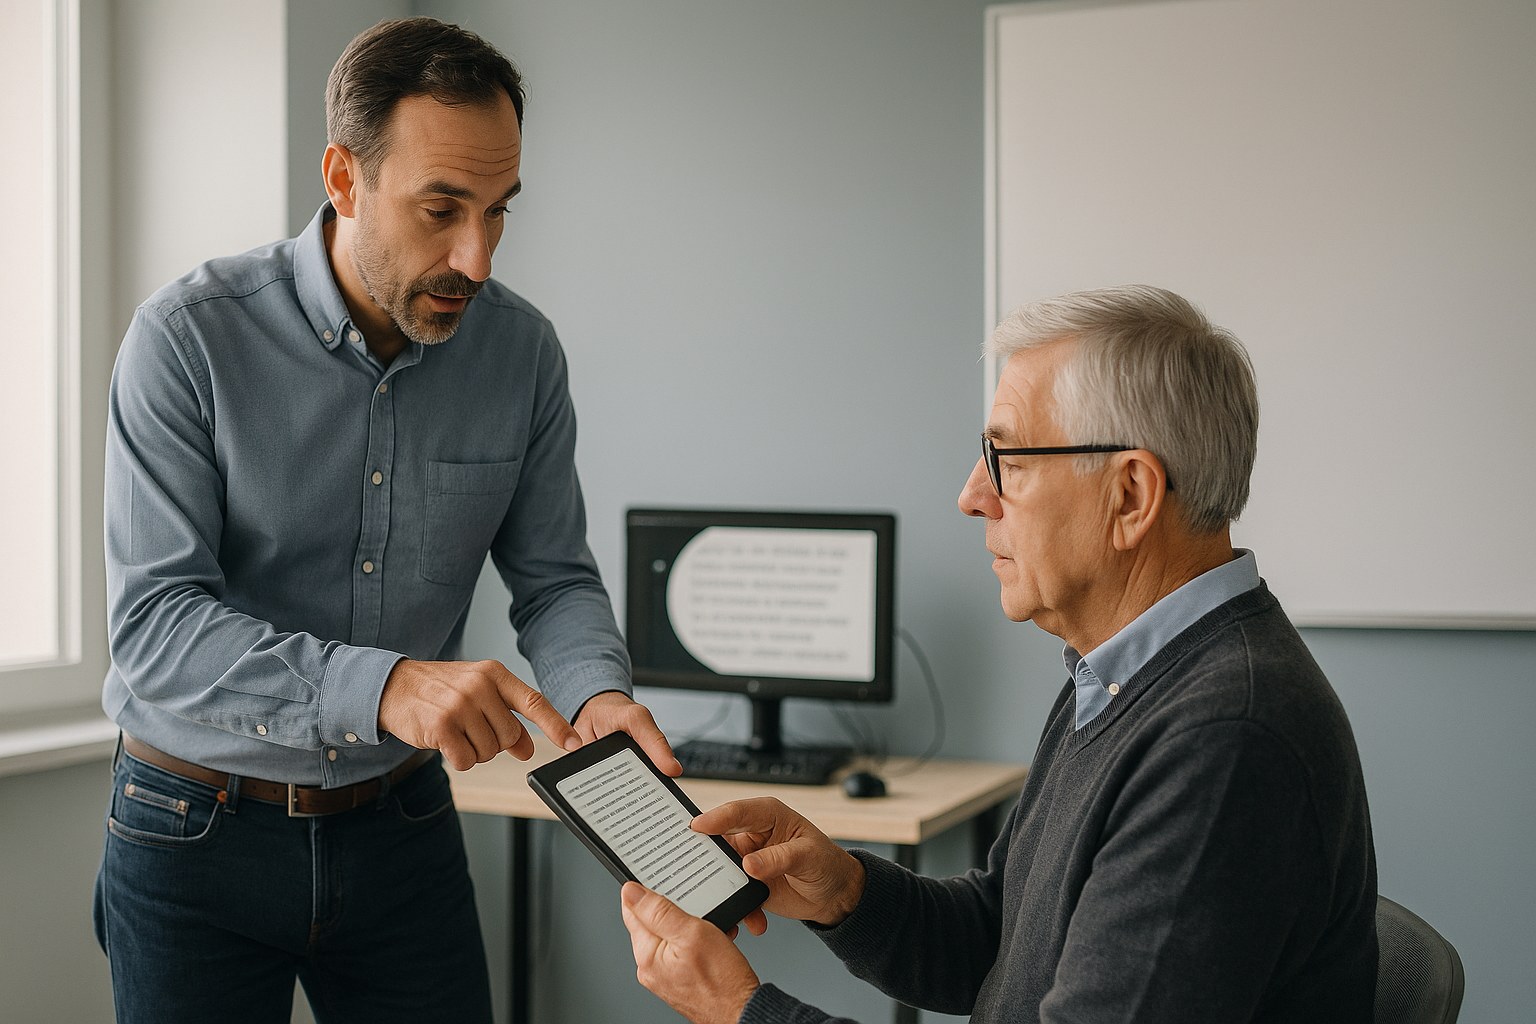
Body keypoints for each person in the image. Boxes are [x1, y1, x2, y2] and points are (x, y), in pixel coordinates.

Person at [93, 17, 676, 1024]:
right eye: (442, 209)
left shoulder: (522, 355)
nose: (478, 257)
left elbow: (555, 577)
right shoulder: (185, 340)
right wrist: (387, 685)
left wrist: (598, 694)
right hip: (191, 828)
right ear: (343, 175)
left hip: (402, 828)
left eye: (500, 212)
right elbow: (155, 629)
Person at [619, 285, 1378, 1023]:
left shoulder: (1222, 739)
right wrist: (843, 889)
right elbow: (999, 939)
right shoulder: (1119, 675)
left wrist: (739, 1011)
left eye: (1007, 459)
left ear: (1131, 497)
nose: (972, 494)